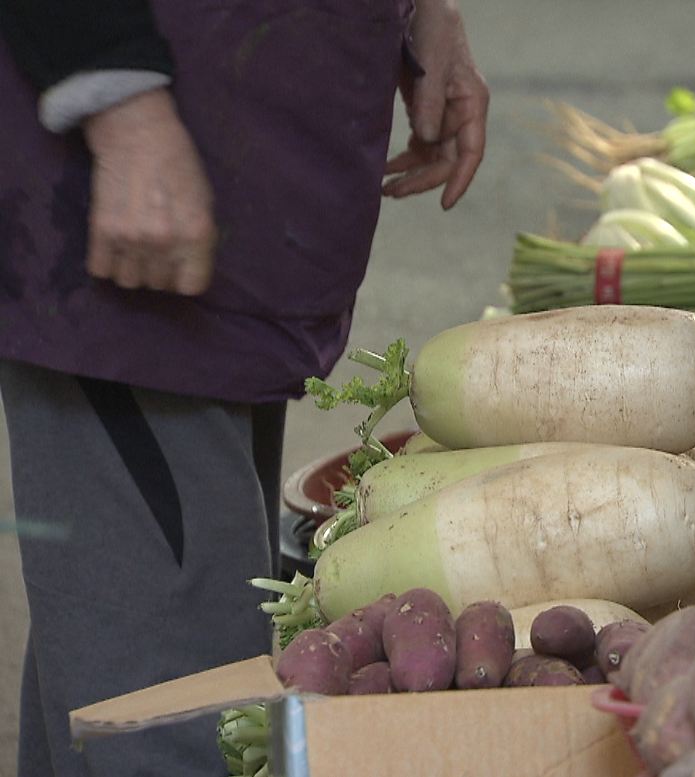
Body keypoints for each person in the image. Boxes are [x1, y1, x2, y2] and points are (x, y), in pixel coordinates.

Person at [0, 0, 489, 774]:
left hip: (251, 154)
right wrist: (120, 101)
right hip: (128, 183)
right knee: (174, 701)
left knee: (131, 643)